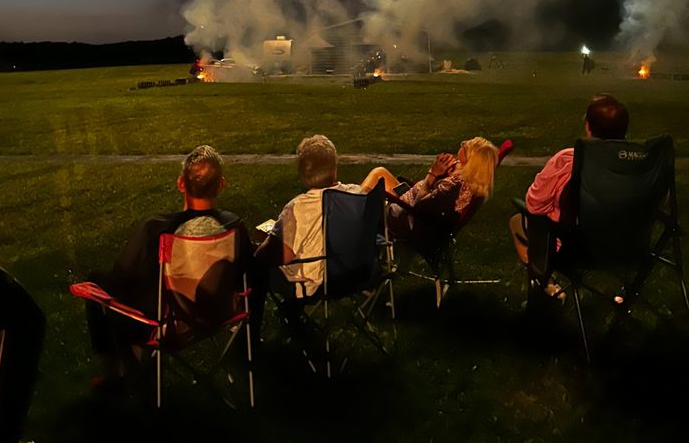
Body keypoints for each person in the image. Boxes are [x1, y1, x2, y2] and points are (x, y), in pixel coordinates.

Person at [85, 144, 251, 380]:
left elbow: (121, 275)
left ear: (181, 183)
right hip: (220, 313)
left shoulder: (158, 229)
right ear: (221, 185)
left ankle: (117, 371)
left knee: (97, 283)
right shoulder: (233, 225)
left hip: (171, 324)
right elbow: (245, 271)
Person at [509, 94, 629, 272]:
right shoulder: (640, 166)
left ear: (588, 127)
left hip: (573, 249)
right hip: (625, 249)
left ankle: (544, 285)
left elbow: (535, 205)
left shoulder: (567, 161)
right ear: (624, 130)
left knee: (517, 220)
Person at [254, 134, 363, 300]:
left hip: (314, 285)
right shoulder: (356, 194)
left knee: (256, 267)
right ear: (334, 168)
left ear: (303, 174)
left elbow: (281, 256)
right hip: (355, 274)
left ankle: (266, 320)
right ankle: (292, 314)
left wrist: (264, 245)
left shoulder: (297, 209)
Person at [361, 137, 499, 252]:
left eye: (466, 145)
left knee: (361, 201)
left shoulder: (451, 187)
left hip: (405, 218)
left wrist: (433, 174)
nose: (462, 144)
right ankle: (356, 203)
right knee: (380, 172)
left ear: (471, 158)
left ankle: (353, 214)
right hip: (412, 206)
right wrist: (446, 173)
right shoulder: (470, 183)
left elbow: (418, 207)